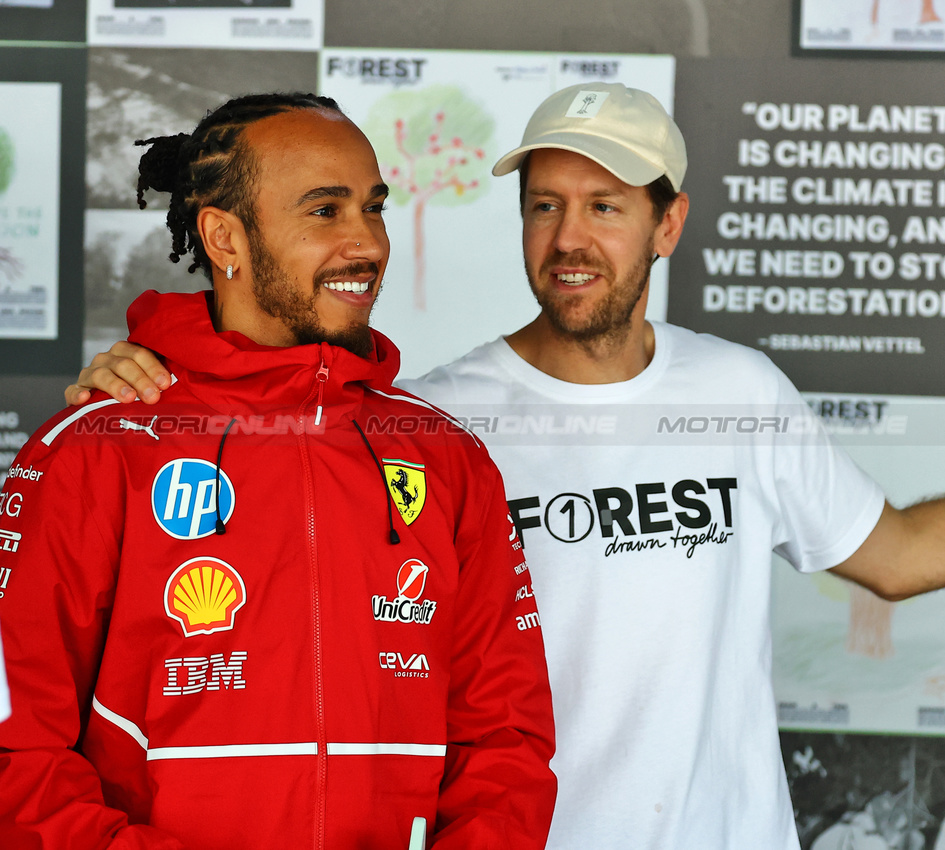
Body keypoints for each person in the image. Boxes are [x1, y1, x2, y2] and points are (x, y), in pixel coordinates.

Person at [71, 83, 945, 849]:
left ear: (668, 223)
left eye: (602, 206)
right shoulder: (427, 422)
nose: (568, 239)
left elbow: (894, 555)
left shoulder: (736, 393)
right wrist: (150, 378)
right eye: (542, 207)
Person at [3, 92, 556, 848]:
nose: (366, 243)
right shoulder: (97, 448)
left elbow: (506, 738)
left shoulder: (443, 457)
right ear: (224, 236)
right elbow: (16, 749)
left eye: (373, 208)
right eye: (324, 211)